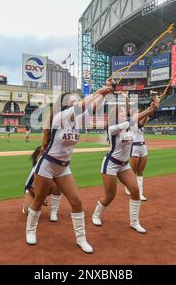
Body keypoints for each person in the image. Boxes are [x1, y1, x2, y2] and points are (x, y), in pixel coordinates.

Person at [25, 79, 113, 254]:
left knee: (77, 202)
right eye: (71, 101)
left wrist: (107, 91)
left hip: (64, 167)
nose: (74, 103)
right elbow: (82, 105)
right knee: (39, 199)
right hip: (47, 165)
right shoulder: (59, 117)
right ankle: (30, 231)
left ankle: (81, 239)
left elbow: (93, 106)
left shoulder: (78, 121)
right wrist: (99, 92)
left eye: (75, 100)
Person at [92, 96, 159, 234]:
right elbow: (132, 121)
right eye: (121, 111)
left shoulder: (131, 125)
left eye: (124, 111)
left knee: (135, 191)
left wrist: (152, 108)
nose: (124, 113)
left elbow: (140, 123)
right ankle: (96, 214)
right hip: (110, 164)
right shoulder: (113, 128)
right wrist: (148, 110)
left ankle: (134, 222)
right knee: (110, 196)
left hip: (124, 165)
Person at [22, 146, 62, 222]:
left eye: (44, 153)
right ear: (36, 157)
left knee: (58, 184)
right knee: (30, 212)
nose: (42, 155)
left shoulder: (54, 167)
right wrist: (40, 198)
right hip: (33, 191)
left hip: (46, 189)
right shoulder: (35, 170)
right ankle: (25, 206)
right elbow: (29, 186)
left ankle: (53, 212)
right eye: (40, 154)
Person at [125, 110, 150, 201]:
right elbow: (140, 124)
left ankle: (140, 193)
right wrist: (147, 111)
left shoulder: (138, 121)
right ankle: (128, 186)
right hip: (134, 146)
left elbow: (143, 122)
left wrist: (149, 111)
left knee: (140, 171)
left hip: (143, 146)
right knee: (133, 171)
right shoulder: (130, 122)